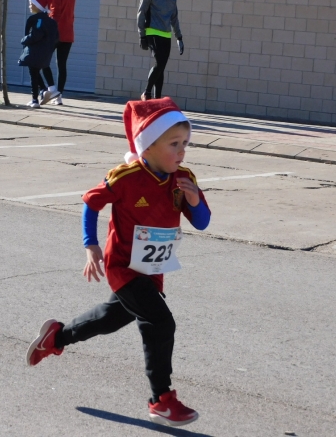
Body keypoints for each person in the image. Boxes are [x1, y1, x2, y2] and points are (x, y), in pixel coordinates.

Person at [26, 97, 211, 428]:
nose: (182, 151)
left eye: (186, 143)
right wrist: (91, 245)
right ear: (148, 145)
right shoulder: (126, 177)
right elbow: (91, 202)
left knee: (110, 319)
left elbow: (202, 221)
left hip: (152, 269)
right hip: (122, 266)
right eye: (174, 144)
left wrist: (195, 199)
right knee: (159, 322)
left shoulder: (183, 178)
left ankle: (56, 337)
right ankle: (161, 400)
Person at [137, 0, 184, 101]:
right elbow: (141, 13)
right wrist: (142, 35)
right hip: (152, 31)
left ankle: (157, 98)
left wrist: (179, 37)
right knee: (159, 62)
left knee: (162, 65)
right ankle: (147, 92)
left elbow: (174, 17)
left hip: (166, 34)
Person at [42, 0, 76, 106]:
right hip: (68, 34)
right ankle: (59, 96)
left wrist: (46, 28)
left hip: (56, 33)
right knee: (62, 65)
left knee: (42, 60)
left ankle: (52, 88)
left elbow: (55, 15)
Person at [18, 0, 59, 108]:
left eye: (31, 4)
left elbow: (36, 34)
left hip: (35, 51)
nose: (29, 6)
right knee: (35, 73)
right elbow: (56, 38)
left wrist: (24, 40)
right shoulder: (51, 21)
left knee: (33, 75)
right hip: (46, 52)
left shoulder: (38, 20)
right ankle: (43, 90)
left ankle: (34, 100)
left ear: (37, 6)